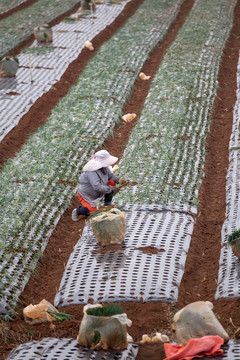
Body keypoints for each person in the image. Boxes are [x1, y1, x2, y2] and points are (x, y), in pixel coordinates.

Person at [72, 150, 124, 221]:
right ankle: (77, 211)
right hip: (88, 195)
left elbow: (111, 176)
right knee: (92, 212)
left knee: (111, 182)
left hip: (98, 191)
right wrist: (110, 189)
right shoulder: (91, 171)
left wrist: (118, 180)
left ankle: (107, 204)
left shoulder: (104, 168)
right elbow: (96, 186)